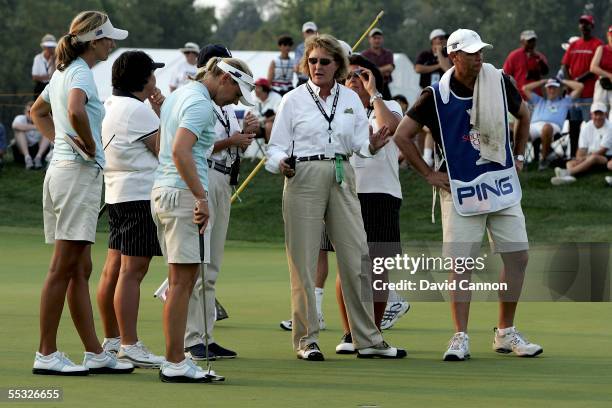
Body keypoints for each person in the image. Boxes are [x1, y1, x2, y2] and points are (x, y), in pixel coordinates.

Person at [393, 28, 543, 361]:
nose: (480, 58)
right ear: (454, 56)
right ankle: (459, 336)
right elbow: (403, 136)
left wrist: (518, 157)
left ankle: (505, 332)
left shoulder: (499, 81)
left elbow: (524, 115)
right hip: (461, 189)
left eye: (481, 52)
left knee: (518, 256)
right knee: (461, 264)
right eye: (472, 53)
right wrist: (429, 174)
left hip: (501, 184)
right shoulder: (435, 95)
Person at [266, 33, 406, 361]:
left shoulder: (350, 99)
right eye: (312, 61)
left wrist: (372, 145)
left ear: (337, 66)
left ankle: (367, 339)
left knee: (358, 257)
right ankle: (306, 340)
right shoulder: (293, 99)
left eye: (324, 62)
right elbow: (274, 147)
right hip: (302, 175)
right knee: (303, 261)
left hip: (343, 174)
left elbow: (361, 143)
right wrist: (279, 163)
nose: (317, 67)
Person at [30, 10, 133, 376]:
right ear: (94, 41)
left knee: (79, 268)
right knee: (64, 267)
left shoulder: (63, 72)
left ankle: (95, 351)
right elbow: (74, 110)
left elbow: (37, 111)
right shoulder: (80, 73)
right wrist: (87, 144)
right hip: (76, 175)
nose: (112, 44)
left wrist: (61, 143)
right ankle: (47, 352)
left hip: (63, 172)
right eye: (108, 39)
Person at [151, 56, 256, 382]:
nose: (236, 100)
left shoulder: (181, 95)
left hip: (165, 190)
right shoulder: (198, 104)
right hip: (183, 194)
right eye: (238, 92)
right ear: (225, 78)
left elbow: (162, 147)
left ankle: (176, 359)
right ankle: (175, 362)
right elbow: (181, 151)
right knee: (183, 284)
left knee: (179, 282)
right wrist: (200, 196)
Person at [183, 45, 258, 362]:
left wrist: (243, 134)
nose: (235, 99)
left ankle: (206, 336)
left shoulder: (221, 106)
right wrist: (233, 140)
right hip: (204, 179)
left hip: (222, 180)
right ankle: (191, 339)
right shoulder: (196, 101)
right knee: (197, 265)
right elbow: (193, 147)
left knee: (210, 267)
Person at [95, 51, 166, 368]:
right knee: (132, 272)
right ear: (143, 79)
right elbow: (166, 150)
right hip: (139, 195)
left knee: (113, 269)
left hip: (116, 193)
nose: (155, 79)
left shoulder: (110, 104)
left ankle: (111, 340)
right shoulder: (139, 111)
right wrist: (162, 111)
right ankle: (129, 343)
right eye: (152, 74)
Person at [334, 53, 405, 353]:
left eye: (361, 75)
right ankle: (351, 334)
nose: (353, 80)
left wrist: (374, 92)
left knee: (377, 266)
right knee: (347, 268)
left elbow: (393, 128)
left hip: (383, 193)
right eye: (349, 76)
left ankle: (373, 335)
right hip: (347, 193)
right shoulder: (338, 111)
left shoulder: (388, 106)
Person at [562, 15, 603, 157]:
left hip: (589, 95)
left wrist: (578, 81)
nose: (584, 26)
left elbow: (594, 69)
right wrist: (570, 83)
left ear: (592, 26)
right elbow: (565, 66)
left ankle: (590, 155)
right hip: (574, 96)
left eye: (587, 24)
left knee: (589, 126)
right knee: (574, 126)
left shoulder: (597, 44)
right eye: (582, 24)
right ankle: (573, 155)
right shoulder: (574, 45)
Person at [522, 77, 583, 169]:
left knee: (547, 127)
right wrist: (543, 81)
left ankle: (544, 160)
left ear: (559, 89)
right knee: (518, 128)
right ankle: (518, 160)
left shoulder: (565, 101)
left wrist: (562, 81)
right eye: (549, 87)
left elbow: (580, 87)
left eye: (554, 87)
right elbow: (525, 88)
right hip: (534, 127)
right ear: (546, 89)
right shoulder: (539, 100)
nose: (552, 90)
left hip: (553, 127)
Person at [415, 29, 452, 165]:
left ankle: (428, 158)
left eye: (444, 38)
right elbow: (418, 68)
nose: (442, 40)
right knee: (422, 126)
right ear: (432, 40)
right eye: (439, 38)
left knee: (433, 127)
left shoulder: (448, 55)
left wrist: (440, 55)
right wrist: (436, 65)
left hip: (443, 95)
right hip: (425, 94)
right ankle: (425, 157)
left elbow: (447, 69)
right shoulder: (425, 54)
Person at [551, 102, 612, 185]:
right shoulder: (587, 126)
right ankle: (569, 178)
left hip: (606, 157)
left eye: (600, 114)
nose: (598, 117)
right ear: (591, 115)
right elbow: (582, 149)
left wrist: (583, 159)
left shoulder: (610, 127)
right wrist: (579, 158)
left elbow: (603, 151)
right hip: (590, 156)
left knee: (593, 158)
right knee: (570, 163)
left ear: (605, 115)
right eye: (595, 114)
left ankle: (568, 173)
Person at [503, 30, 549, 101]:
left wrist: (540, 61)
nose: (532, 43)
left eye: (533, 40)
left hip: (537, 97)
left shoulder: (540, 56)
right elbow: (506, 75)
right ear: (522, 41)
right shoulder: (514, 55)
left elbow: (545, 72)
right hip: (519, 97)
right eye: (529, 40)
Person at [11, 101, 51, 169]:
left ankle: (38, 157)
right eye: (29, 111)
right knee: (19, 131)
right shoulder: (20, 118)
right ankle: (27, 158)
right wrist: (38, 127)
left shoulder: (43, 119)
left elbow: (50, 129)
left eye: (34, 111)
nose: (31, 114)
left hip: (38, 149)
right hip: (22, 151)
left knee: (47, 133)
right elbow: (15, 125)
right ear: (25, 112)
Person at [362, 28, 395, 100]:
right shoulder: (364, 54)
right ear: (369, 39)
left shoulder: (388, 53)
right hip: (369, 87)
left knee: (388, 106)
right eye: (374, 38)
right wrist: (383, 70)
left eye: (379, 38)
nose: (377, 40)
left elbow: (390, 68)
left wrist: (372, 71)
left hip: (384, 87)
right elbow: (363, 71)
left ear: (382, 39)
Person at [249, 78, 282, 142]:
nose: (255, 90)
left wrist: (264, 121)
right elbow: (249, 114)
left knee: (269, 125)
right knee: (248, 128)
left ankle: (271, 150)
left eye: (258, 87)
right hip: (259, 126)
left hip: (274, 127)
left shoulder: (276, 97)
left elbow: (279, 115)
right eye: (255, 87)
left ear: (265, 89)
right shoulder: (254, 99)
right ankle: (241, 150)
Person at [590, 26, 612, 119]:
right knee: (599, 111)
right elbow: (593, 67)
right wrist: (609, 75)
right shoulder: (602, 48)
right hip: (602, 83)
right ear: (608, 35)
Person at [294, 22, 318, 86]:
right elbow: (296, 69)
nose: (310, 34)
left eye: (312, 32)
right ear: (303, 34)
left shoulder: (322, 47)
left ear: (316, 33)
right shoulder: (299, 48)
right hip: (303, 81)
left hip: (317, 81)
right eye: (308, 32)